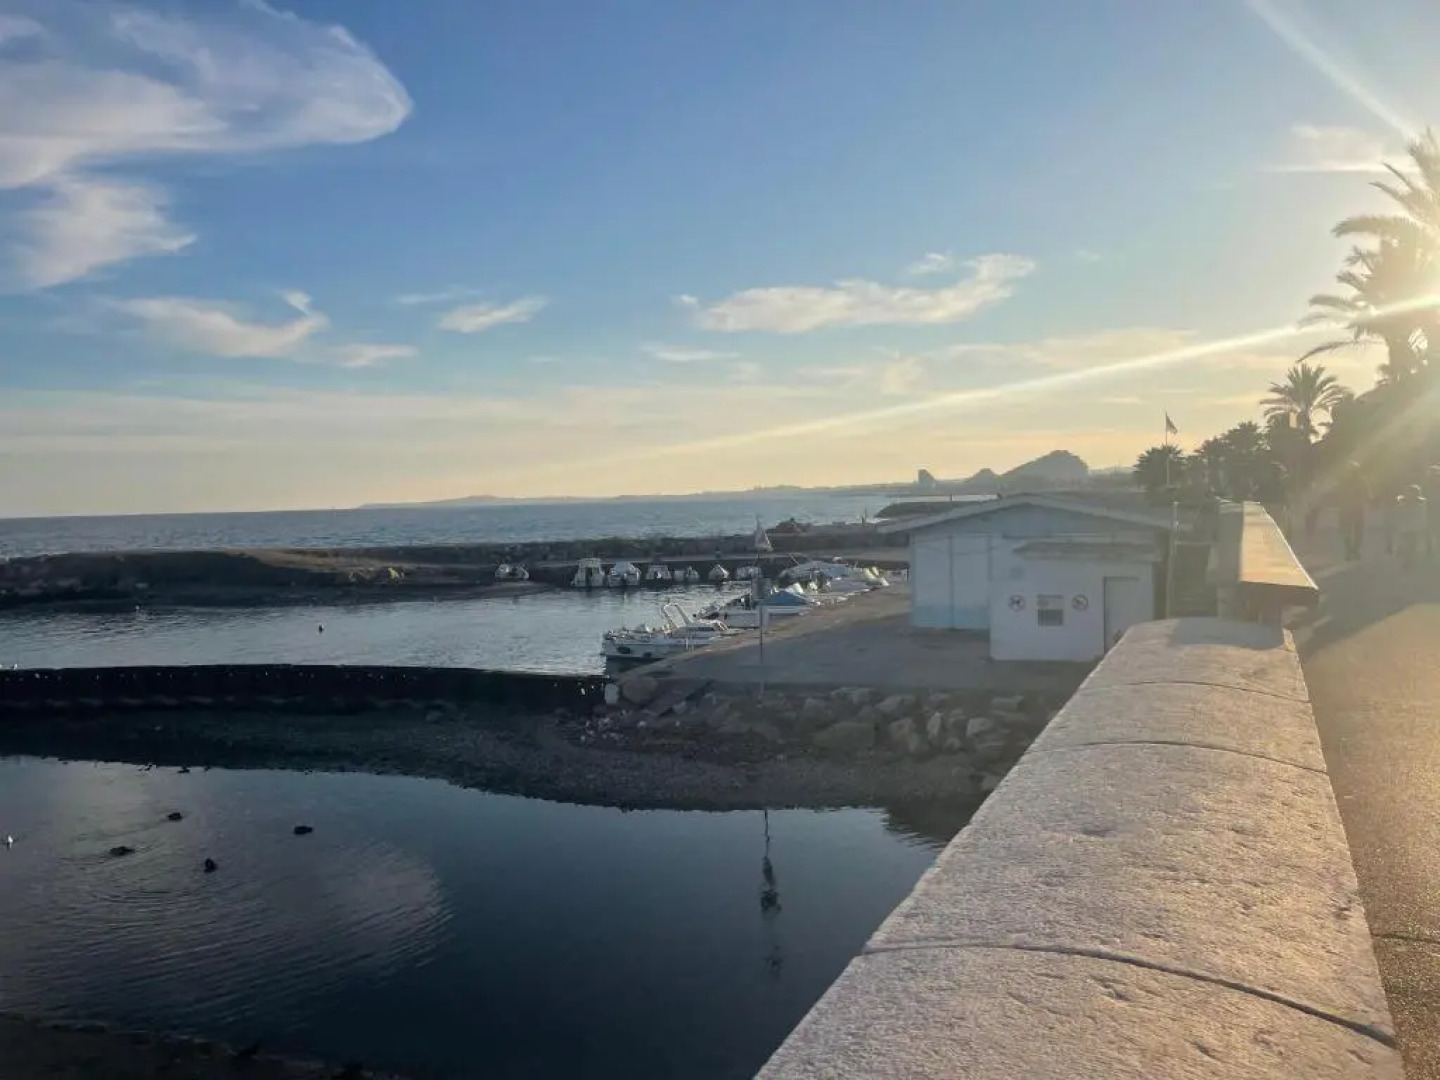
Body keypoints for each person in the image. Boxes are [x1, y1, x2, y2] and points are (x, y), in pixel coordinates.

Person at [1337, 462, 1368, 561]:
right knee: (1357, 531)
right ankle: (1353, 550)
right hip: (1356, 508)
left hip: (1348, 508)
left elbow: (1339, 494)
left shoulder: (1344, 481)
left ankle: (1350, 550)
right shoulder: (1361, 481)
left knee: (1348, 531)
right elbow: (1366, 494)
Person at [1396, 485, 1427, 570]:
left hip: (1413, 527)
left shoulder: (1419, 503)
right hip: (1407, 527)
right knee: (1407, 545)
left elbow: (1420, 515)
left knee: (1411, 545)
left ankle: (1409, 562)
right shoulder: (1405, 502)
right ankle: (1407, 562)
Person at [1425, 465, 1440, 561]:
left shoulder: (1430, 486)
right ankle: (1430, 551)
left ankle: (1430, 551)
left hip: (1434, 510)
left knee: (1433, 531)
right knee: (1431, 531)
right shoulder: (1428, 486)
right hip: (1431, 510)